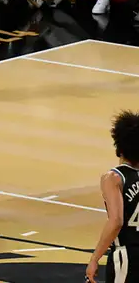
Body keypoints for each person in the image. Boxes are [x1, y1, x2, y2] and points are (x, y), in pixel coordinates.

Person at [86, 110, 139, 283]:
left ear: (118, 146)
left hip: (127, 256)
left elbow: (116, 221)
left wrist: (94, 258)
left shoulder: (114, 178)